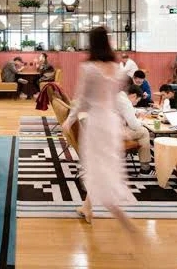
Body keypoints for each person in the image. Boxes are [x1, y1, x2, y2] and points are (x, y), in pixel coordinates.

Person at [63, 26, 135, 231]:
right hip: (112, 122)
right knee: (105, 166)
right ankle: (87, 207)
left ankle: (120, 216)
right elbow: (115, 99)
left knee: (95, 168)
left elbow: (82, 100)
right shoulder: (117, 68)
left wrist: (69, 119)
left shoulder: (89, 68)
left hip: (97, 123)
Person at [115, 85, 153, 174]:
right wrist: (142, 121)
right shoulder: (125, 102)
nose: (135, 104)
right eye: (137, 101)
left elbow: (126, 110)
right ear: (134, 96)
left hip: (106, 129)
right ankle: (145, 169)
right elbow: (134, 126)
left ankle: (145, 167)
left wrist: (134, 112)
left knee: (141, 133)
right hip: (114, 133)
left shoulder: (119, 96)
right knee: (144, 132)